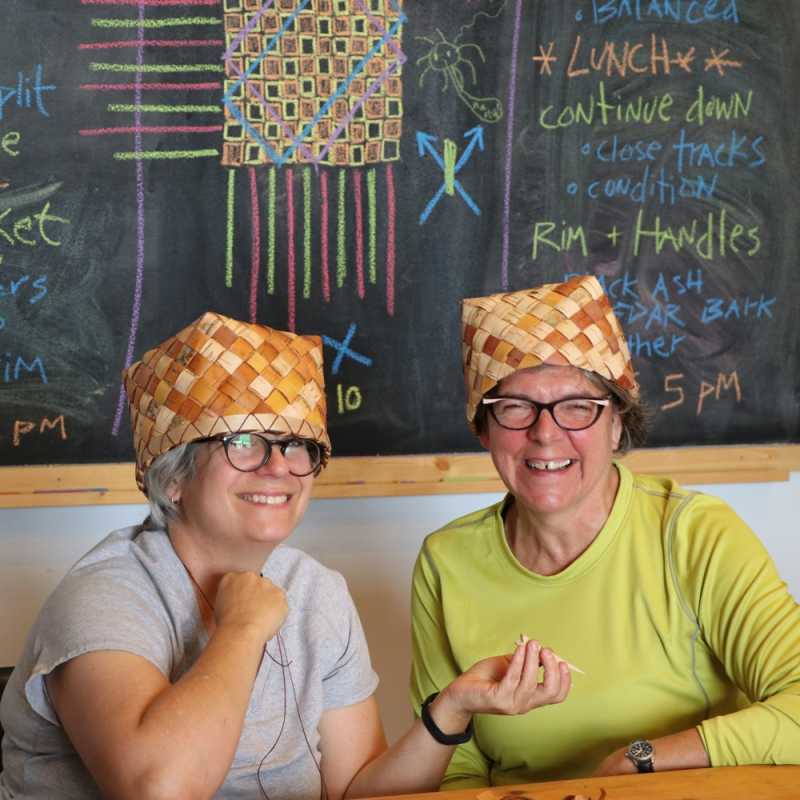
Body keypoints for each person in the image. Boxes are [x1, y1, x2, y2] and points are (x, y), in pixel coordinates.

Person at [0, 312, 571, 800]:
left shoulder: (314, 589)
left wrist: (453, 708)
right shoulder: (103, 598)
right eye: (243, 442)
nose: (278, 468)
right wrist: (243, 628)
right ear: (172, 478)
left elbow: (357, 790)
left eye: (296, 445)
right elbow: (159, 789)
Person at [410, 275, 800, 789]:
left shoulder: (694, 535)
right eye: (515, 407)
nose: (545, 433)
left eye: (578, 406)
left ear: (616, 424)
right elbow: (457, 770)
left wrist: (638, 760)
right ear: (484, 429)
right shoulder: (446, 561)